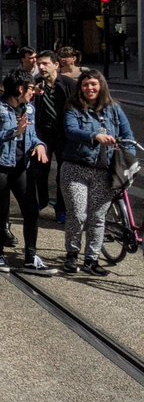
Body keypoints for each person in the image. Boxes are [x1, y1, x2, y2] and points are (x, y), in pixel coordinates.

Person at [60, 69, 134, 276]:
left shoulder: (114, 109)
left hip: (104, 171)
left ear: (101, 86)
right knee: (77, 214)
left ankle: (91, 260)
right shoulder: (73, 108)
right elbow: (71, 130)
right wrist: (94, 136)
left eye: (93, 84)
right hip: (76, 168)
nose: (89, 88)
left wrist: (128, 160)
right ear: (80, 88)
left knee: (97, 217)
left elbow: (128, 135)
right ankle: (72, 254)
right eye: (85, 85)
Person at [0, 69, 56, 274]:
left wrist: (39, 145)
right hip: (0, 166)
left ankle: (31, 257)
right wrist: (14, 132)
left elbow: (31, 136)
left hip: (21, 166)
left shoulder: (29, 108)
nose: (33, 92)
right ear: (20, 88)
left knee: (31, 210)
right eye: (30, 88)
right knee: (1, 211)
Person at [30, 50, 77, 223]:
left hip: (64, 135)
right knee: (40, 172)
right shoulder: (34, 84)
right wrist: (32, 95)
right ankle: (42, 205)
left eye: (45, 64)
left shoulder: (68, 84)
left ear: (56, 65)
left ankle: (61, 209)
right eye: (39, 64)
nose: (41, 67)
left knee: (63, 174)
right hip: (42, 135)